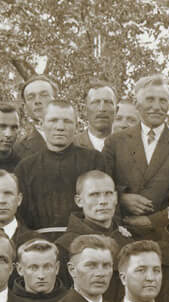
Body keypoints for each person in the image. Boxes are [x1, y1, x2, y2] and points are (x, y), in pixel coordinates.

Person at [104, 74, 169, 227]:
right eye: (150, 99)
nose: (157, 107)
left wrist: (153, 220)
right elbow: (100, 185)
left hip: (165, 231)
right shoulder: (115, 142)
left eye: (163, 100)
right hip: (120, 228)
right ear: (137, 104)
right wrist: (121, 198)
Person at [16, 99, 107, 231]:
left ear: (76, 126)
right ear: (41, 124)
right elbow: (19, 215)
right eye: (53, 120)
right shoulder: (25, 167)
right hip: (38, 240)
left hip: (85, 237)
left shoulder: (94, 160)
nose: (60, 127)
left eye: (67, 121)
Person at [55, 170, 134, 255]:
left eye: (108, 193)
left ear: (116, 198)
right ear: (79, 201)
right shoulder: (65, 245)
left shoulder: (126, 238)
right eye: (94, 195)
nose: (103, 201)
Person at [12, 237, 69, 302]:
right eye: (33, 268)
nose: (41, 276)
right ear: (20, 269)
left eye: (47, 267)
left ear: (57, 268)